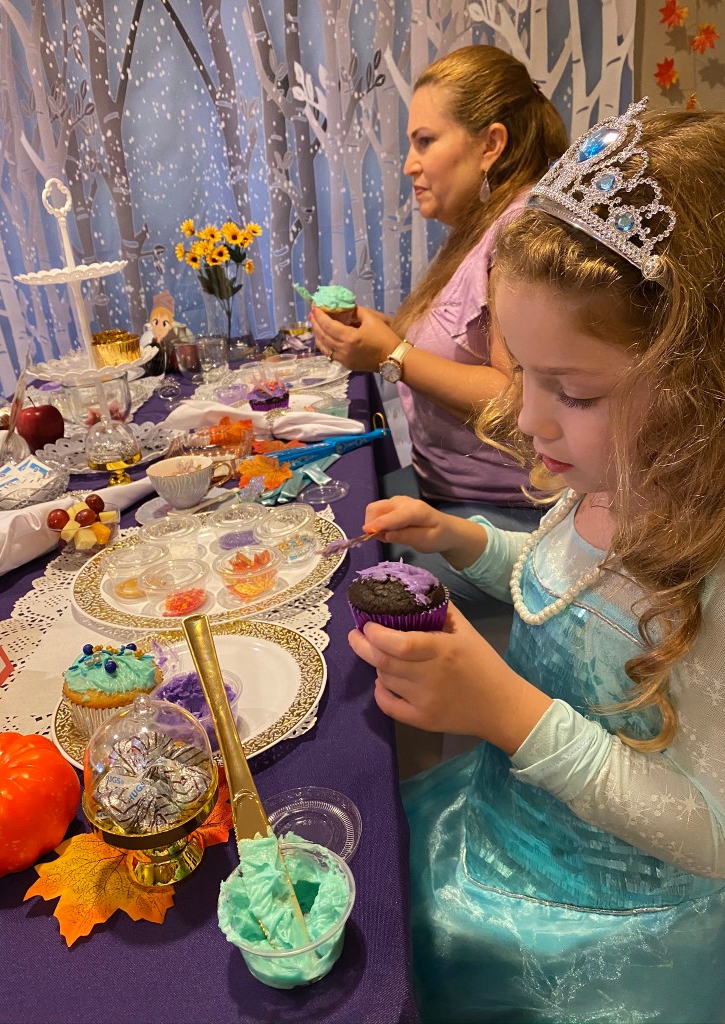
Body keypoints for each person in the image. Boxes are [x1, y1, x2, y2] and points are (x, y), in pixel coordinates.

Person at [350, 103, 725, 1022]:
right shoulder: (606, 473)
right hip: (495, 835)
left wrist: (509, 715)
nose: (526, 420)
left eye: (574, 390)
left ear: (701, 380)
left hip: (594, 925)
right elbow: (574, 582)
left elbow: (713, 831)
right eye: (524, 376)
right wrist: (469, 541)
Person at [311, 45, 568, 619]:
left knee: (329, 580)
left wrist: (392, 353)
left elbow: (515, 400)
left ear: (490, 145)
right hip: (447, 491)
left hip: (501, 519)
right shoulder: (481, 230)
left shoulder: (520, 233)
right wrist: (374, 336)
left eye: (424, 141)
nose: (408, 163)